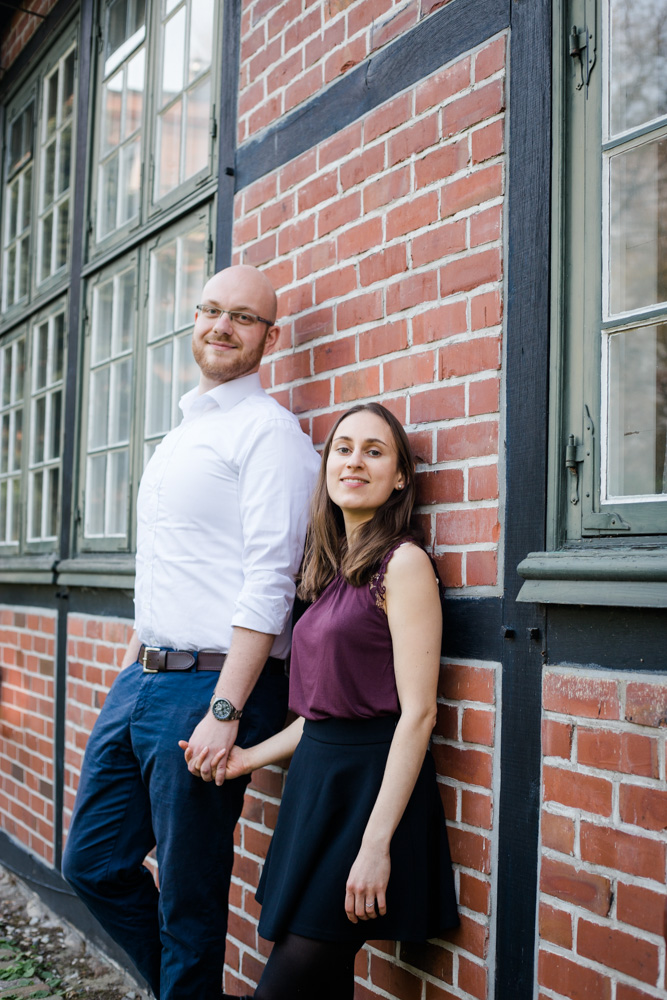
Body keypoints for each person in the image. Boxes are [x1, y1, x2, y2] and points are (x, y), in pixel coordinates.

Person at [62, 264, 320, 1000]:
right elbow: (177, 568)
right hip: (142, 679)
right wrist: (134, 664)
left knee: (188, 894)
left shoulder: (268, 435)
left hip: (211, 687)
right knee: (94, 864)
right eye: (211, 310)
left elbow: (270, 580)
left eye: (243, 317)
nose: (221, 326)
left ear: (267, 338)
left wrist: (225, 711)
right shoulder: (185, 430)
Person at [186, 402, 458, 1000]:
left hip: (368, 795)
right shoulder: (331, 570)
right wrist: (247, 759)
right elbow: (320, 717)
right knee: (323, 983)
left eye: (374, 451)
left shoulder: (403, 564)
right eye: (343, 448)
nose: (354, 462)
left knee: (285, 985)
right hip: (318, 788)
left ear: (400, 477)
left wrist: (375, 843)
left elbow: (417, 715)